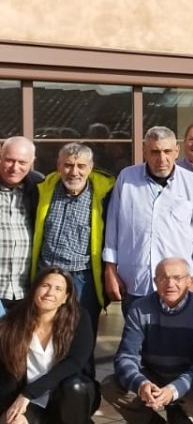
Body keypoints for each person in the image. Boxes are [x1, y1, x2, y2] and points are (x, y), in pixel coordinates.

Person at [100, 258, 193, 424]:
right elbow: (125, 357)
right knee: (110, 386)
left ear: (189, 280)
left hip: (188, 378)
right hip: (152, 375)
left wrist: (173, 390)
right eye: (163, 278)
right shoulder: (140, 308)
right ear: (155, 282)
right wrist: (141, 384)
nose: (170, 284)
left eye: (177, 278)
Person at [102, 126, 193, 306]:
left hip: (178, 286)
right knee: (136, 334)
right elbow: (113, 228)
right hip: (135, 283)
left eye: (167, 151)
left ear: (176, 151)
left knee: (177, 335)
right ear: (144, 151)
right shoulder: (127, 178)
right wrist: (110, 271)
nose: (162, 158)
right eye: (155, 152)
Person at [0, 268, 96, 424]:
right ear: (34, 289)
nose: (50, 292)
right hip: (32, 400)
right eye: (45, 286)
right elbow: (5, 370)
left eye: (58, 288)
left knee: (76, 385)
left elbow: (75, 363)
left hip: (68, 397)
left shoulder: (80, 318)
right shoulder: (13, 320)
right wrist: (10, 410)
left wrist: (28, 394)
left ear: (66, 297)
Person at [31, 142, 114, 337]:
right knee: (44, 335)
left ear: (90, 168)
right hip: (46, 273)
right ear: (58, 166)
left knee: (81, 336)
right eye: (68, 165)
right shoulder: (42, 190)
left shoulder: (105, 196)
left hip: (82, 279)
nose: (74, 172)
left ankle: (82, 369)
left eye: (81, 166)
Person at [1, 136, 40, 311]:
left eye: (22, 162)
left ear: (32, 162)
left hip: (25, 292)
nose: (15, 168)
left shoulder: (38, 188)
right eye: (9, 160)